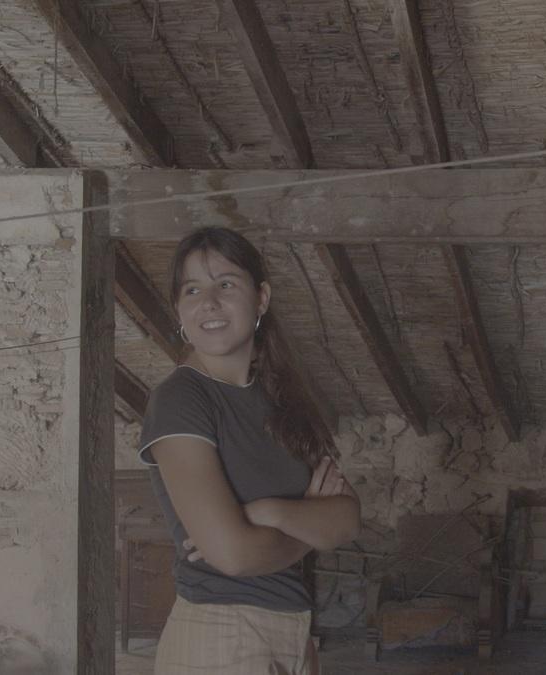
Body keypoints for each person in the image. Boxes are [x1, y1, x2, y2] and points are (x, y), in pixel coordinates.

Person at [137, 226, 361, 674]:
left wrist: (265, 512)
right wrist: (307, 525)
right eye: (192, 289)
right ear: (179, 309)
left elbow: (347, 520)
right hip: (220, 634)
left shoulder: (283, 400)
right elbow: (233, 556)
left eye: (226, 284)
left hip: (292, 629)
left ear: (261, 298)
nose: (209, 302)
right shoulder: (181, 399)